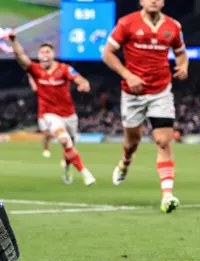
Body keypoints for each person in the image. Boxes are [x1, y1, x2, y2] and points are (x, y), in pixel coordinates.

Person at [103, 0, 189, 213]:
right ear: (141, 1)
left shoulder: (173, 26)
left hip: (160, 91)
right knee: (132, 142)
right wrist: (127, 75)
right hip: (132, 93)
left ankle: (167, 195)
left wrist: (184, 66)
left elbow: (180, 52)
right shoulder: (127, 23)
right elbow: (107, 54)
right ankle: (126, 160)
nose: (153, 0)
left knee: (163, 141)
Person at [5, 33, 95, 186]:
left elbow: (78, 78)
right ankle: (85, 172)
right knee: (65, 141)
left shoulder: (64, 69)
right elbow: (20, 56)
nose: (45, 55)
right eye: (42, 52)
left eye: (48, 52)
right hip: (49, 114)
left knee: (70, 146)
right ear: (38, 56)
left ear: (53, 54)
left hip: (69, 114)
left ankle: (67, 167)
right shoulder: (34, 69)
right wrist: (13, 41)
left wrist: (83, 83)